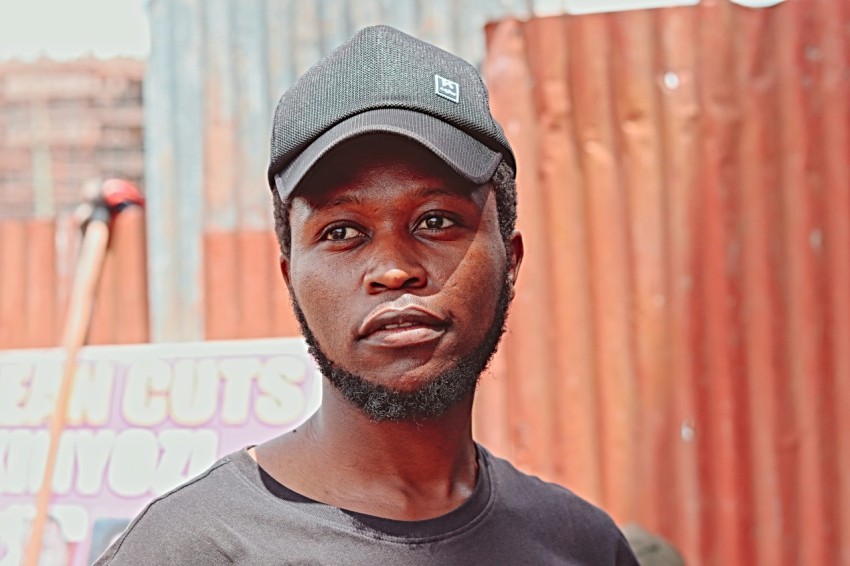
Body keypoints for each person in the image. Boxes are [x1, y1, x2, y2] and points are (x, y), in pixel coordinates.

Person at [95, 25, 638, 565]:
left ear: (511, 260)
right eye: (341, 232)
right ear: (290, 280)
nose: (393, 270)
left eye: (436, 220)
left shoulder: (581, 544)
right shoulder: (188, 550)